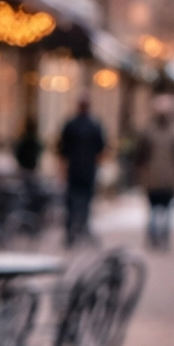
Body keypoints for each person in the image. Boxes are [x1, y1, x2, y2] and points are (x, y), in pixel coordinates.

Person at [133, 99, 174, 251]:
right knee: (166, 210)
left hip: (154, 177)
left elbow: (139, 155)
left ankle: (155, 236)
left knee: (153, 210)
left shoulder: (149, 132)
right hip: (168, 178)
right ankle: (162, 237)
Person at [56, 97, 105, 246]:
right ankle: (81, 228)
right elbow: (101, 147)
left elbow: (62, 148)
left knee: (72, 201)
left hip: (75, 169)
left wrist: (64, 165)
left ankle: (72, 231)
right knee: (85, 201)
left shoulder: (71, 124)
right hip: (87, 170)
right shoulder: (94, 125)